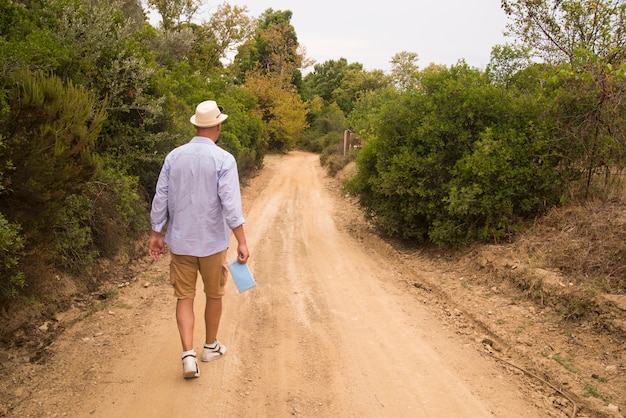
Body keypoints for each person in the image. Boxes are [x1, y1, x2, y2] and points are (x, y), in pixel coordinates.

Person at [149, 100, 250, 379]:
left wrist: (156, 233)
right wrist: (241, 240)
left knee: (184, 296)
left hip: (181, 241)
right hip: (212, 243)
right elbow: (230, 204)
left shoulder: (174, 156)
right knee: (214, 294)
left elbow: (161, 198)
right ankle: (209, 347)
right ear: (217, 126)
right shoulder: (224, 159)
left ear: (195, 125)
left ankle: (188, 356)